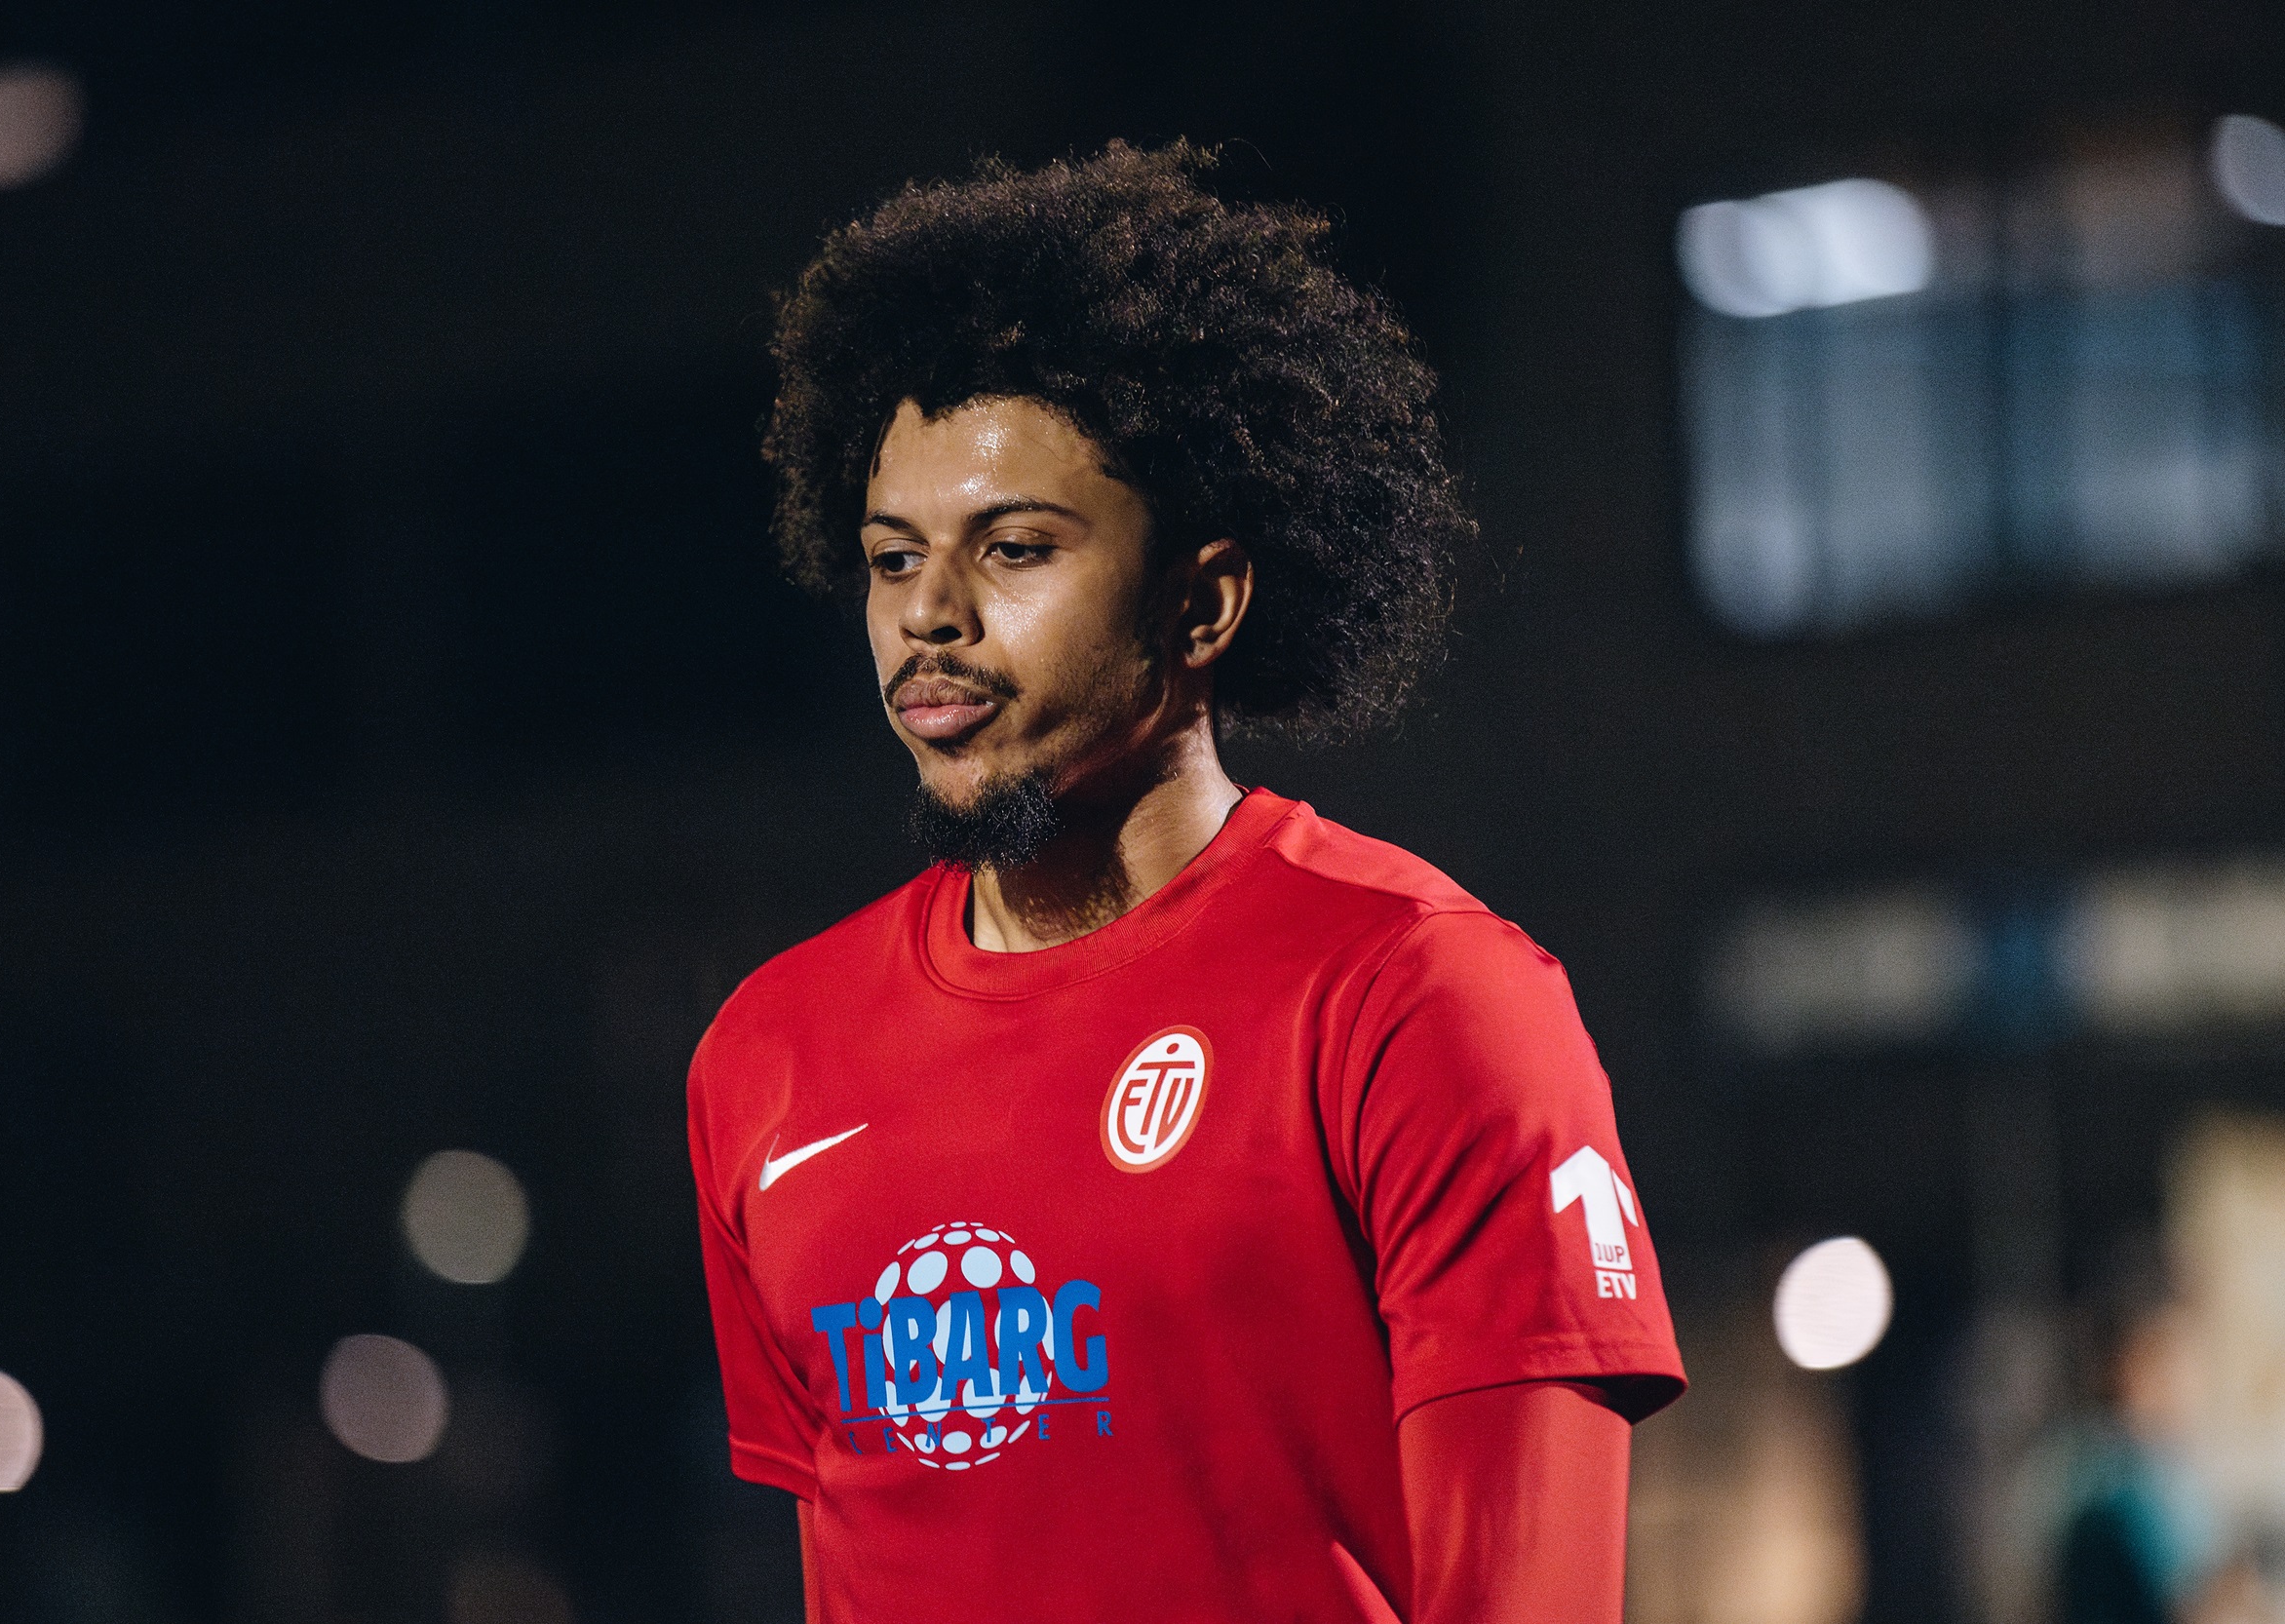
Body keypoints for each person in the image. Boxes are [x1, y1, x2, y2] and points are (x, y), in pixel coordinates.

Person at [687, 142, 1685, 1623]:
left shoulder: (1422, 1000)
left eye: (1014, 548)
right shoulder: (762, 1058)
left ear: (1201, 602)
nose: (931, 618)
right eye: (894, 561)